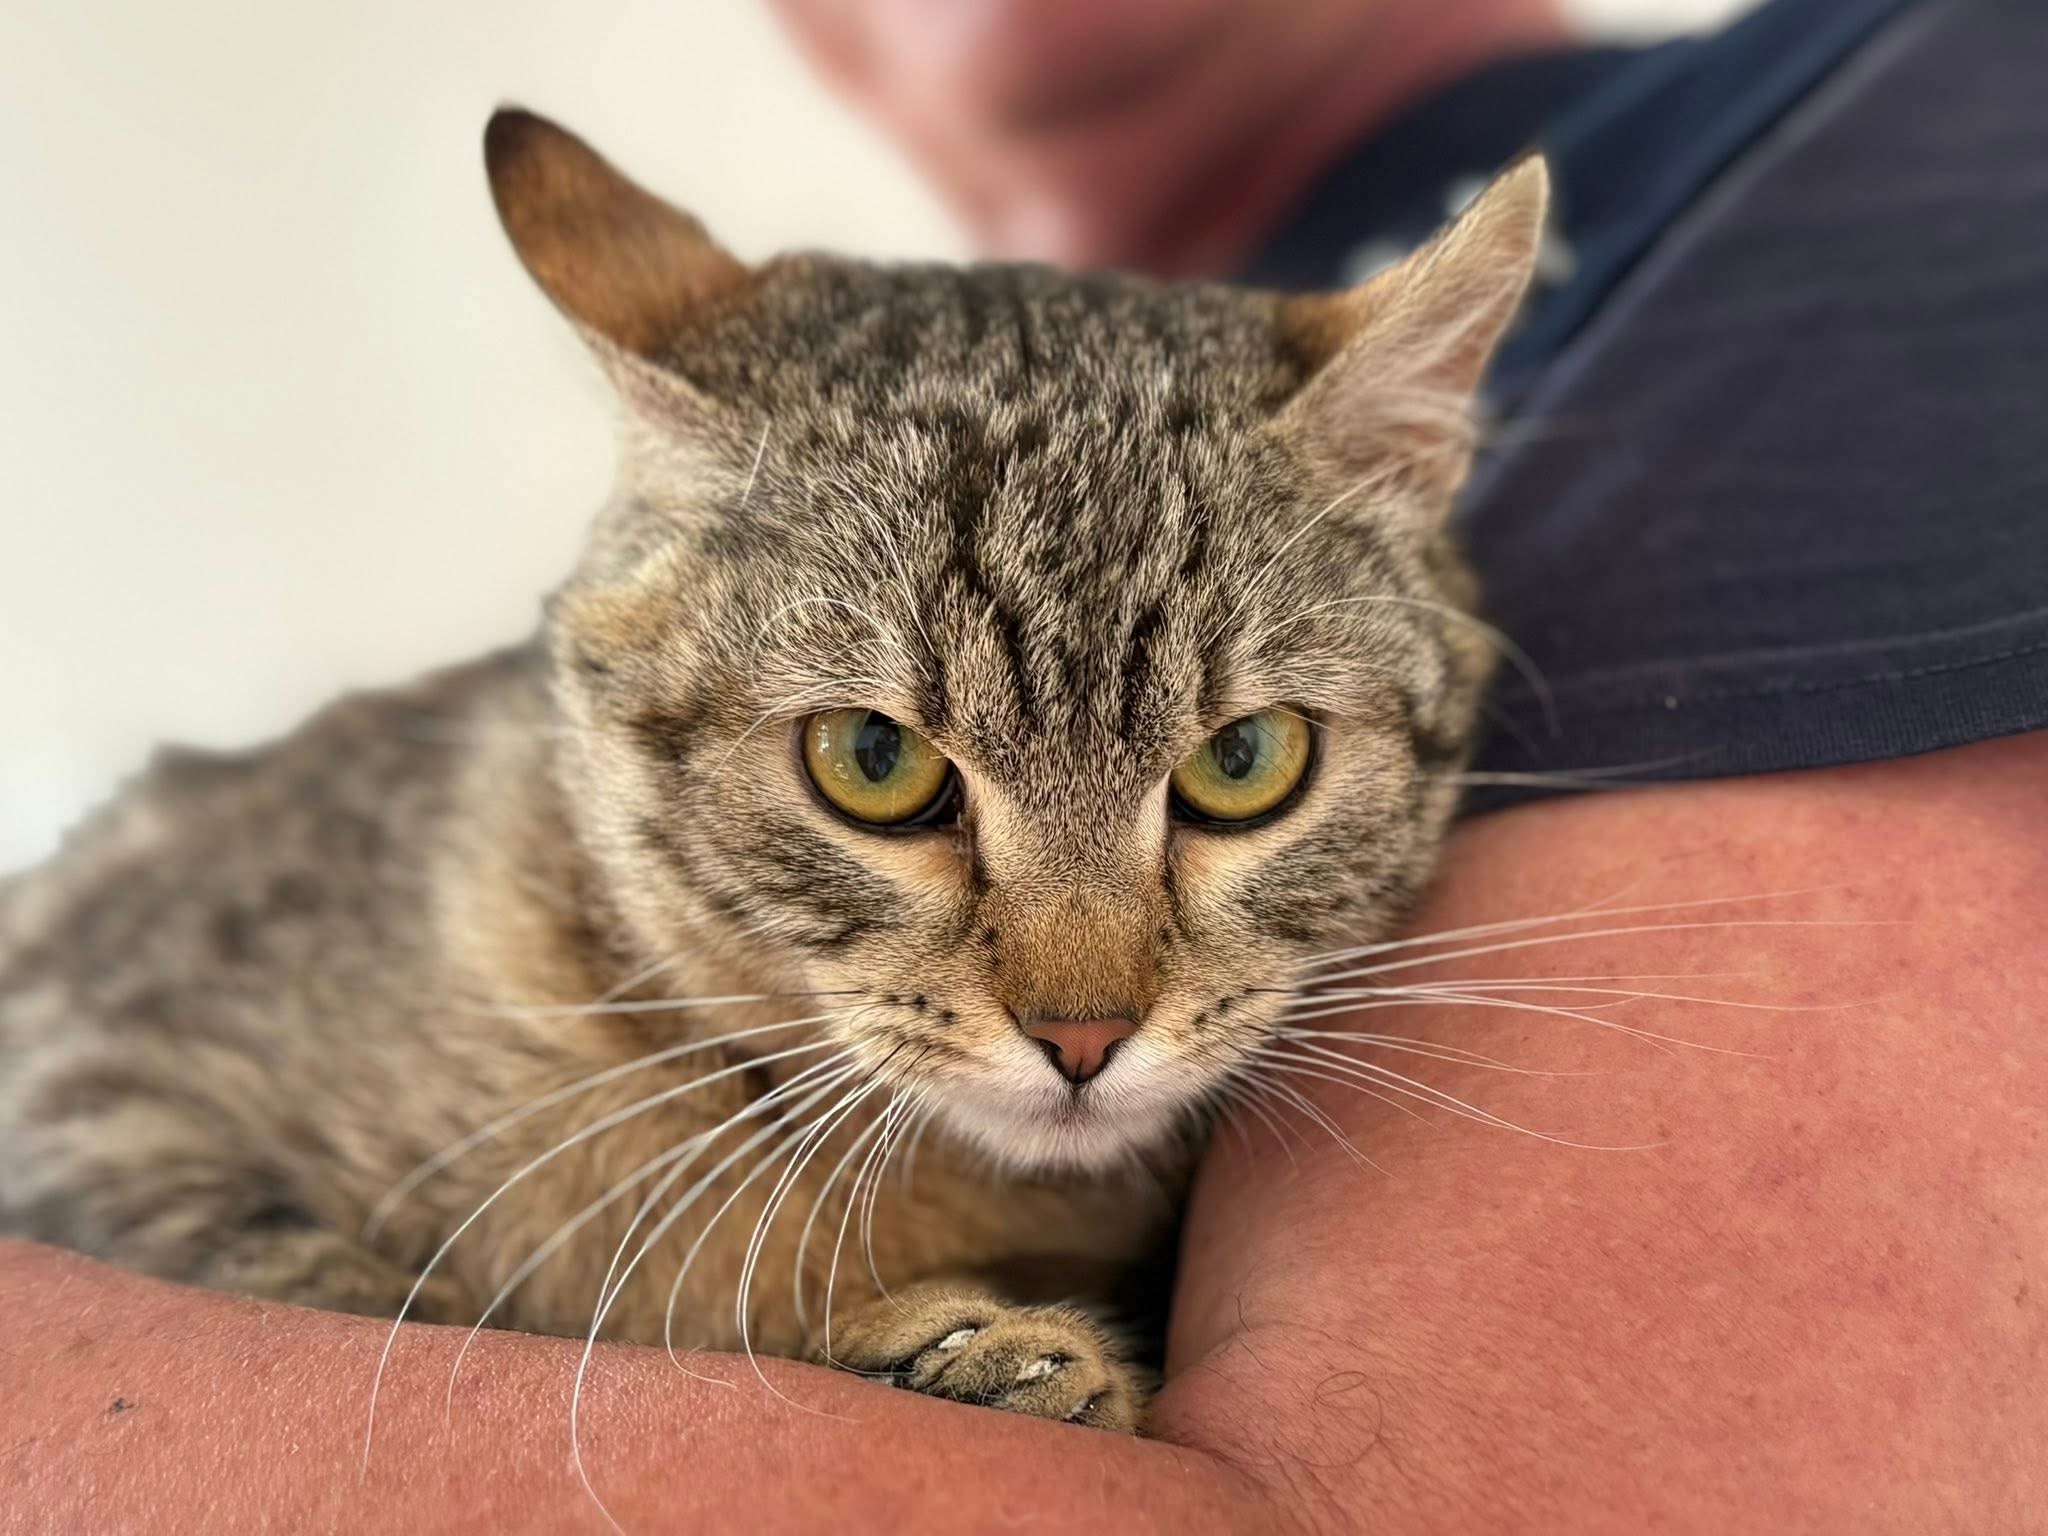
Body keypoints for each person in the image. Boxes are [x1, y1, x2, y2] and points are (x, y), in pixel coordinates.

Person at [6, 0, 2043, 1528]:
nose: (1083, 999)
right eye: (883, 774)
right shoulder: (474, 964)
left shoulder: (1901, 158)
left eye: (1235, 771)